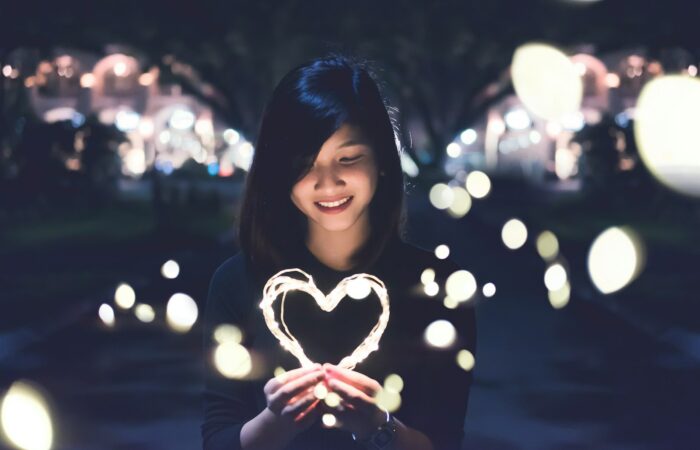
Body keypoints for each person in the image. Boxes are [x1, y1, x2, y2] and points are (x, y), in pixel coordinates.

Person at [201, 54, 477, 450]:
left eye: (348, 159)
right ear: (278, 172)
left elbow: (444, 441)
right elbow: (217, 438)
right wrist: (275, 423)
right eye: (303, 164)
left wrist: (377, 426)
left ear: (382, 159)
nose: (327, 183)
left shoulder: (439, 288)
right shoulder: (236, 283)